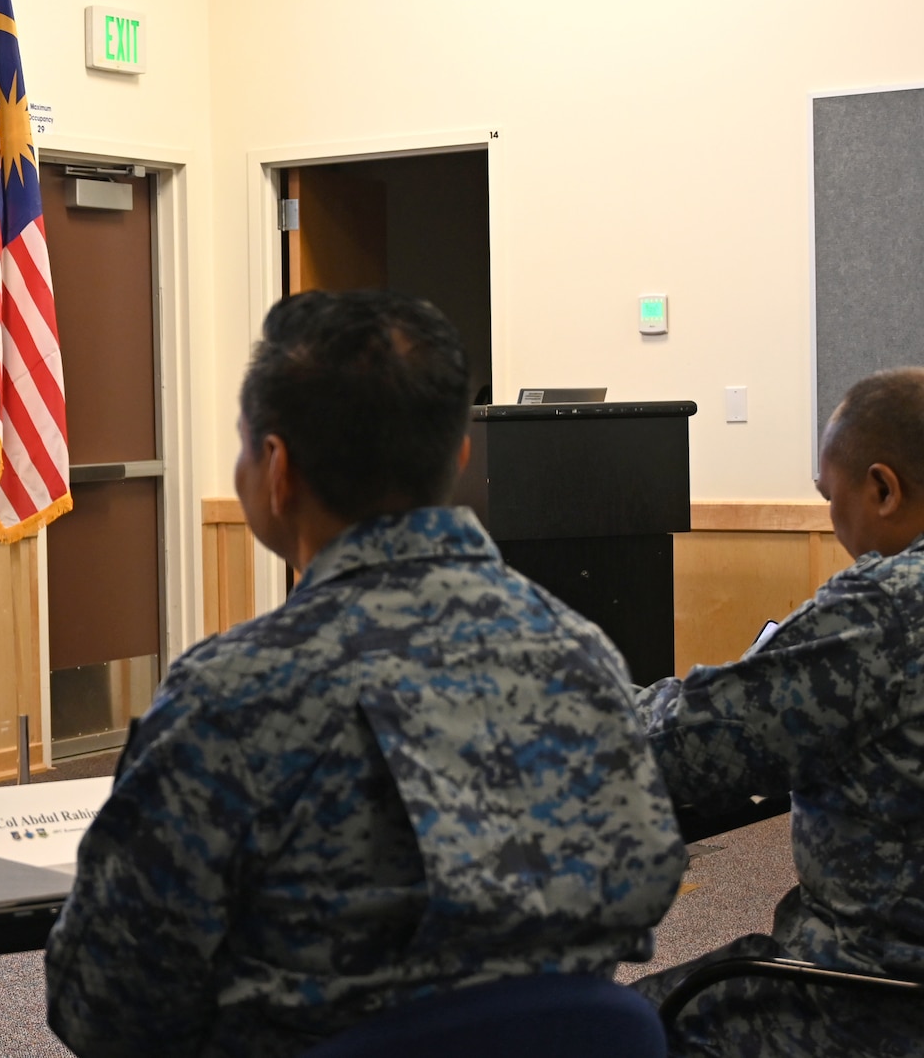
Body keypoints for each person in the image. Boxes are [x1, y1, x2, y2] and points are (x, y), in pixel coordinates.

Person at [45, 290, 687, 1056]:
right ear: (458, 456)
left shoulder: (230, 696)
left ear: (275, 469)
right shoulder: (583, 653)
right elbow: (643, 890)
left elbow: (103, 1004)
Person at [633, 368, 924, 1056]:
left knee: (603, 1027)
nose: (833, 520)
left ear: (882, 488)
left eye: (832, 497)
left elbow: (685, 746)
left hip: (868, 1001)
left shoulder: (883, 611)